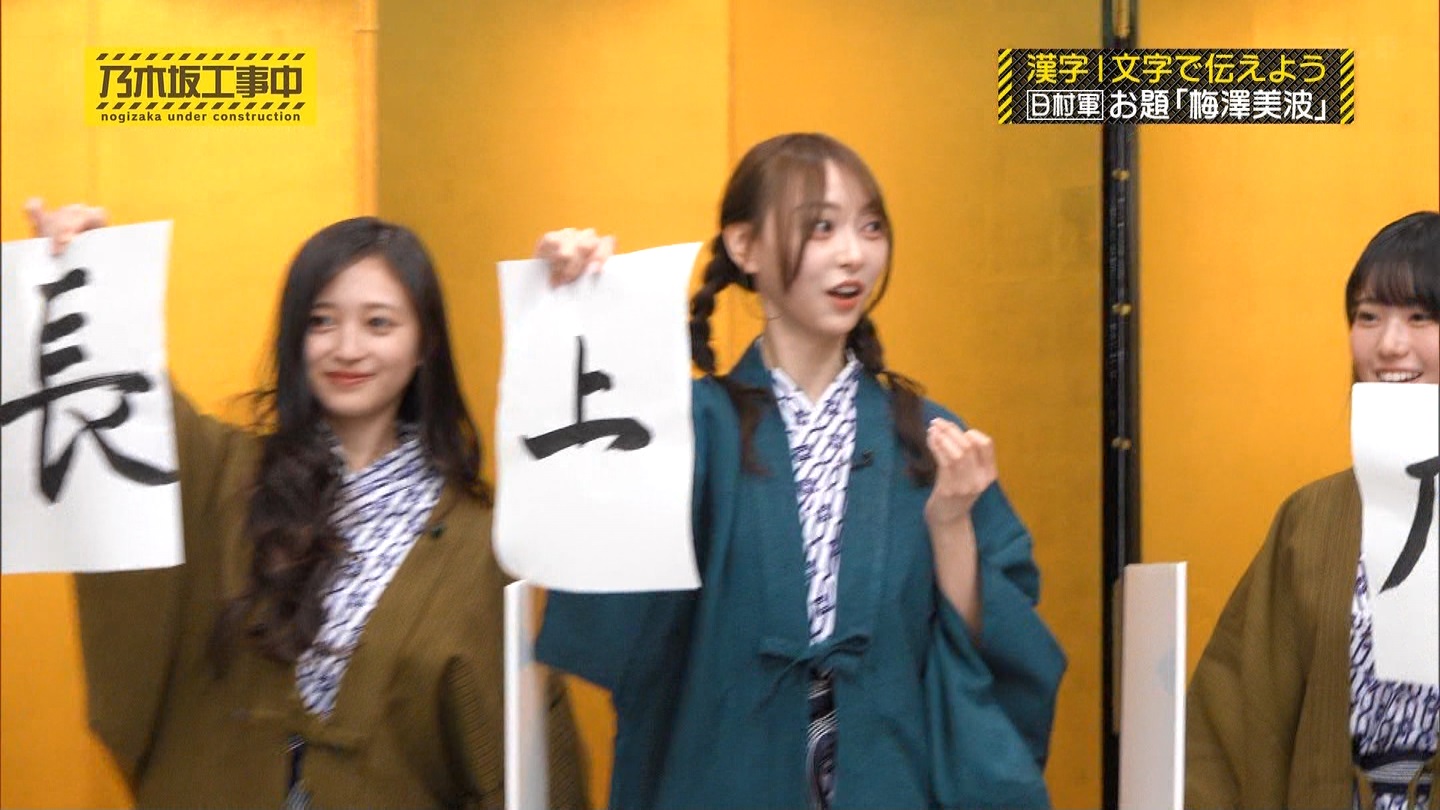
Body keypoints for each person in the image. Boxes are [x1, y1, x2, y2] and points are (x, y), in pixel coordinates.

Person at [531, 133, 1065, 810]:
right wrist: (581, 316)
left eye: (870, 227)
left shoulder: (926, 438)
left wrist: (951, 525)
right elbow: (609, 603)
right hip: (724, 781)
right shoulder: (687, 428)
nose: (854, 253)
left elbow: (1001, 656)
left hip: (891, 783)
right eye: (821, 227)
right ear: (744, 245)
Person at [25, 202, 588, 809]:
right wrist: (96, 277)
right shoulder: (224, 475)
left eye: (379, 323)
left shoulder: (482, 543)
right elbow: (134, 417)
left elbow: (521, 759)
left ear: (424, 343)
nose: (347, 348)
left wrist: (582, 303)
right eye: (321, 321)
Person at [1186, 211, 1440, 810]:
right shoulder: (1311, 519)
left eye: (1420, 317)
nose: (1390, 344)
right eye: (1368, 316)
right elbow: (1232, 721)